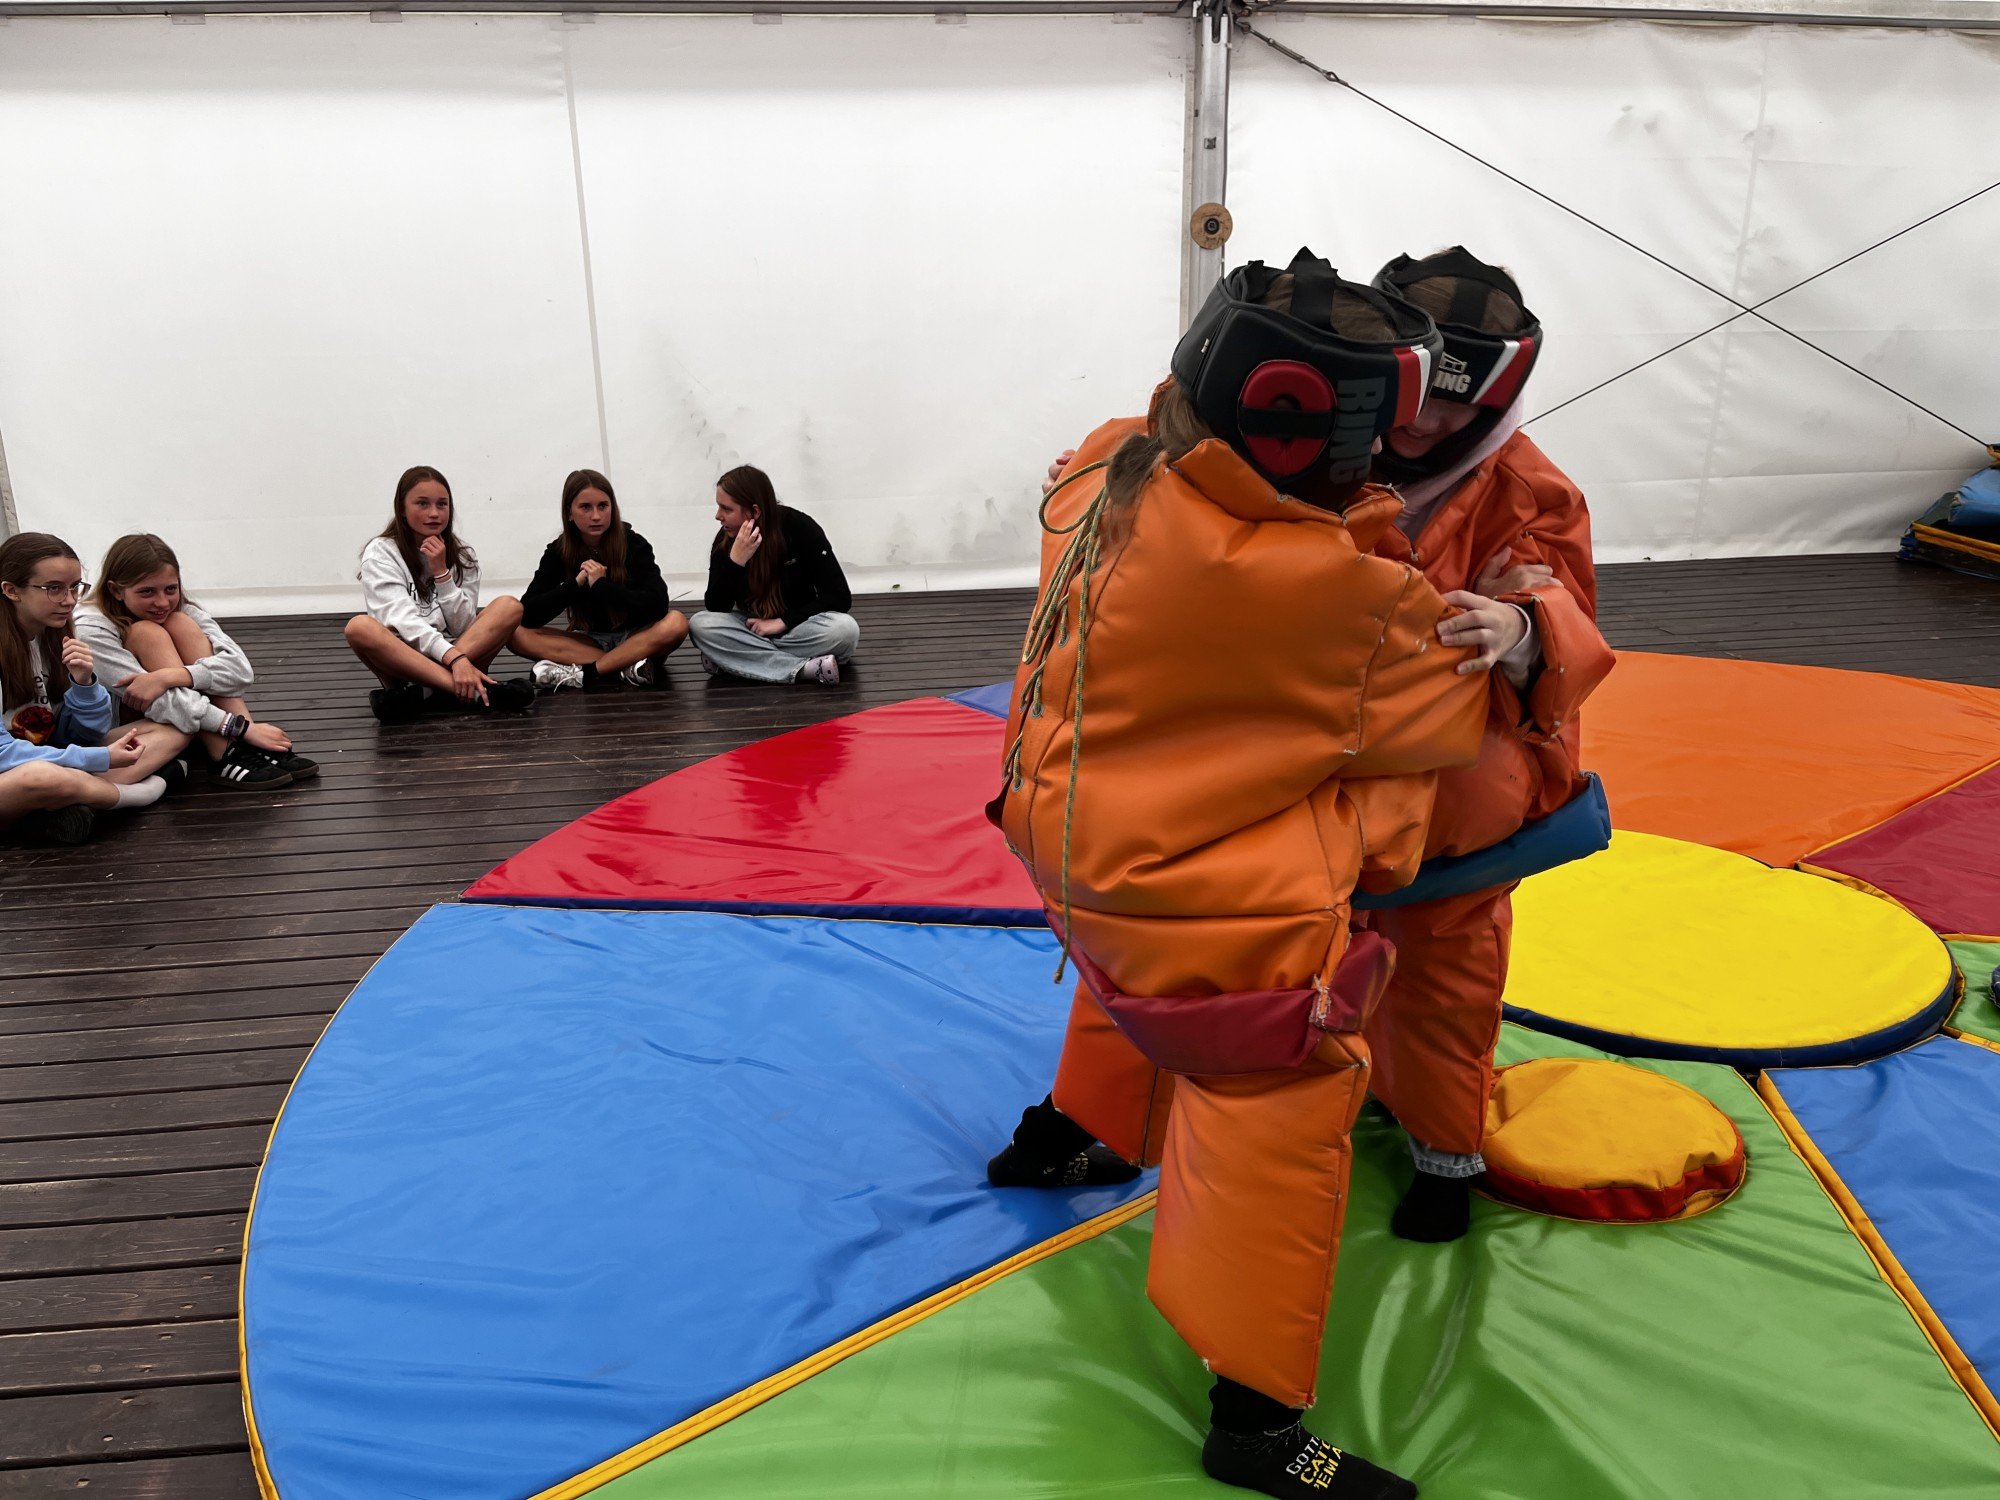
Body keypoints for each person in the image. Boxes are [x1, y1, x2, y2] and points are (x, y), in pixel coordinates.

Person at [986, 251, 1505, 1500]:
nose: (1387, 455)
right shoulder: (1340, 595)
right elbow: (1442, 719)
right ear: (1304, 428)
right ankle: (1257, 1426)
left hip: (1068, 846)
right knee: (1276, 1105)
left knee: (1135, 998)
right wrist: (1528, 626)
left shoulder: (1097, 472)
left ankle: (1066, 1140)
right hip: (1212, 916)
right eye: (1369, 434)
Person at [1359, 247, 1614, 1241]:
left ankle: (1441, 1152)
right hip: (1316, 770)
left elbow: (1557, 597)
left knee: (1443, 975)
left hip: (1451, 798)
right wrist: (1112, 479)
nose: (1426, 425)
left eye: (1456, 408)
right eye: (1416, 398)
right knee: (1290, 953)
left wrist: (1521, 628)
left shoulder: (1526, 486)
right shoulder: (1318, 434)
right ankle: (1301, 1098)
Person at [77, 533, 314, 790]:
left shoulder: (181, 611)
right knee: (146, 633)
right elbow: (158, 702)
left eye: (171, 589)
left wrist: (170, 676)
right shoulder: (91, 628)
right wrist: (241, 729)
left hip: (182, 716)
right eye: (147, 592)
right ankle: (226, 751)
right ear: (115, 590)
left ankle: (241, 749)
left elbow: (240, 672)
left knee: (180, 623)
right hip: (119, 733)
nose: (162, 602)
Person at [1, 533, 187, 844]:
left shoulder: (53, 637)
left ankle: (61, 805)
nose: (69, 600)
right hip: (16, 775)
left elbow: (80, 734)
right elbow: (3, 755)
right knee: (42, 777)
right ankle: (140, 793)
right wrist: (98, 758)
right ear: (11, 590)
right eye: (54, 588)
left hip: (52, 759)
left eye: (75, 586)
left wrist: (84, 684)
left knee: (173, 727)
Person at [342, 466, 531, 722]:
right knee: (359, 627)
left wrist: (442, 574)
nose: (434, 513)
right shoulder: (381, 552)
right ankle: (476, 692)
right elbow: (402, 621)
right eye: (422, 504)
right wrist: (455, 659)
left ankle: (422, 693)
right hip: (406, 659)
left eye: (442, 504)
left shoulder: (463, 555)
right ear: (402, 509)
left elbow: (462, 626)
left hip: (459, 653)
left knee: (509, 606)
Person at [510, 469, 690, 692]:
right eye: (586, 507)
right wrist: (575, 585)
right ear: (569, 513)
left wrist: (603, 587)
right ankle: (625, 666)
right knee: (515, 633)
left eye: (603, 506)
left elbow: (658, 604)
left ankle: (587, 674)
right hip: (591, 642)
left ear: (613, 508)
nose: (596, 516)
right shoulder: (559, 551)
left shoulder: (634, 544)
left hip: (638, 637)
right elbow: (529, 613)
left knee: (676, 623)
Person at [688, 465, 858, 685]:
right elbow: (716, 605)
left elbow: (839, 596)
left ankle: (737, 658)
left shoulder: (799, 527)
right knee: (700, 625)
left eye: (726, 509)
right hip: (752, 627)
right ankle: (803, 669)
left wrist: (783, 622)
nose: (718, 516)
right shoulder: (726, 540)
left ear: (755, 512)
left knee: (845, 629)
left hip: (797, 627)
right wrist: (736, 562)